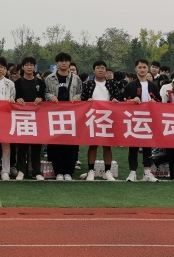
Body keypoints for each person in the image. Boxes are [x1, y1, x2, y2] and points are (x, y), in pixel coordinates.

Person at [81, 60, 121, 181]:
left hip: (108, 117)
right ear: (94, 71)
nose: (100, 70)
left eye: (103, 68)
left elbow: (118, 98)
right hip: (93, 116)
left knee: (107, 145)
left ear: (106, 70)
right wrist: (87, 101)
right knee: (93, 144)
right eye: (98, 68)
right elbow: (82, 99)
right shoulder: (88, 84)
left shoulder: (112, 84)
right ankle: (91, 171)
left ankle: (107, 171)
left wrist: (115, 100)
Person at [45, 52, 83, 181]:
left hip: (71, 115)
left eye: (66, 60)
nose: (64, 63)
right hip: (55, 115)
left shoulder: (76, 79)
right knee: (55, 144)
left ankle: (68, 172)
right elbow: (45, 93)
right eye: (61, 61)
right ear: (57, 63)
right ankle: (58, 171)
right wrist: (51, 97)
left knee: (70, 144)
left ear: (69, 63)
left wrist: (76, 97)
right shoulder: (50, 78)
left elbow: (80, 93)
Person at [123, 59, 160, 182]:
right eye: (140, 67)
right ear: (136, 69)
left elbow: (159, 101)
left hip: (149, 120)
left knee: (147, 146)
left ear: (148, 69)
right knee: (133, 146)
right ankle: (132, 172)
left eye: (144, 67)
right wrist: (131, 101)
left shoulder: (153, 85)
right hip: (134, 119)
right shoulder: (130, 85)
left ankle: (147, 172)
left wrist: (155, 102)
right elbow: (122, 101)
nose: (142, 69)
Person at [14, 57, 46, 181]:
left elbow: (44, 98)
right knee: (22, 146)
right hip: (22, 117)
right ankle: (21, 170)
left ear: (34, 67)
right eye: (26, 65)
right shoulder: (17, 83)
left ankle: (37, 171)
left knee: (36, 146)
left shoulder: (40, 83)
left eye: (31, 65)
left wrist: (41, 99)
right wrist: (17, 99)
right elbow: (14, 98)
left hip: (37, 118)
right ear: (22, 67)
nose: (29, 67)